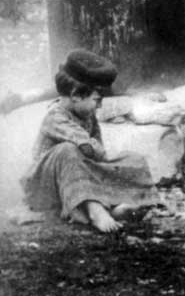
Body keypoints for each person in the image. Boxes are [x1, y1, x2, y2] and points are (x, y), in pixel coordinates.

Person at [21, 49, 159, 232]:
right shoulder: (55, 117)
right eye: (96, 100)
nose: (99, 106)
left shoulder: (87, 116)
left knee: (133, 159)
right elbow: (86, 145)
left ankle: (116, 204)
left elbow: (98, 150)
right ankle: (96, 211)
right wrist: (100, 161)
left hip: (78, 178)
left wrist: (110, 165)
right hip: (46, 186)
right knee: (68, 151)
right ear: (76, 95)